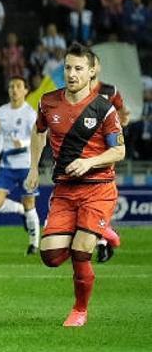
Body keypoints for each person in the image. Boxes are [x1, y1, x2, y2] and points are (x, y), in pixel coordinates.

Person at [25, 43, 125, 327]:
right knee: (51, 256)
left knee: (81, 250)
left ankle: (80, 310)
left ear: (92, 71)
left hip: (98, 187)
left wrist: (89, 162)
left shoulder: (103, 109)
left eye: (78, 69)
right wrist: (34, 167)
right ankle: (99, 230)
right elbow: (38, 132)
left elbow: (119, 151)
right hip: (65, 191)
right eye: (68, 67)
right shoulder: (48, 101)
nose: (71, 74)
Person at [0, 76, 40, 254]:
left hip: (26, 164)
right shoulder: (2, 110)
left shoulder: (30, 113)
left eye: (18, 86)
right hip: (7, 165)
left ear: (26, 90)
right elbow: (0, 134)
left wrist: (24, 143)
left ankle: (34, 244)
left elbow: (39, 137)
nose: (14, 90)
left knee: (30, 203)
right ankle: (20, 211)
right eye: (11, 86)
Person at [88, 57, 127, 262]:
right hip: (82, 151)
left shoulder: (110, 91)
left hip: (104, 150)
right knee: (89, 198)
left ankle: (103, 241)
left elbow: (122, 114)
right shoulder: (76, 91)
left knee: (99, 195)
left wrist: (122, 120)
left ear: (97, 68)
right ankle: (108, 238)